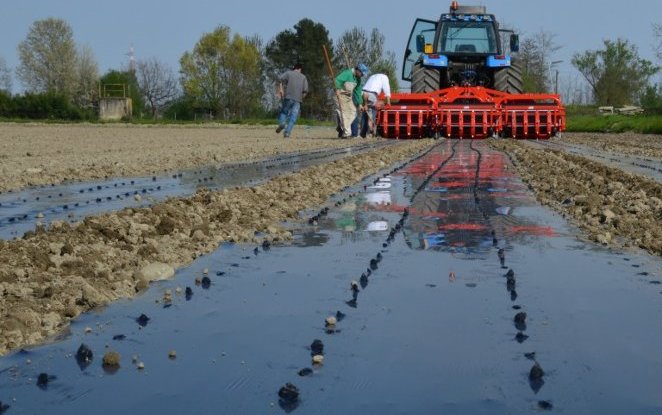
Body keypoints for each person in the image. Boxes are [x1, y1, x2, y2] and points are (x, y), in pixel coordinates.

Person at [334, 63, 368, 138]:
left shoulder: (358, 79)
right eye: (362, 73)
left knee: (353, 111)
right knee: (344, 113)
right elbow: (337, 80)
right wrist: (337, 88)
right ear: (358, 70)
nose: (362, 75)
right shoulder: (347, 73)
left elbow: (358, 92)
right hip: (340, 95)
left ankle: (341, 127)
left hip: (348, 97)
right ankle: (346, 133)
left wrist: (360, 104)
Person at [276, 63, 308, 138]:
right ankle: (287, 132)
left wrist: (281, 89)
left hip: (288, 97)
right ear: (300, 69)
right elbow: (305, 91)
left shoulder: (288, 73)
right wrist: (301, 98)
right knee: (293, 117)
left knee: (284, 112)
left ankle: (282, 123)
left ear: (294, 68)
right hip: (298, 100)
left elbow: (279, 79)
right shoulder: (303, 77)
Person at [360, 73, 391, 138]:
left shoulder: (372, 76)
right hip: (371, 95)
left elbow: (366, 90)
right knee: (372, 115)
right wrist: (388, 102)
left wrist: (365, 103)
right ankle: (369, 134)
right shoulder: (384, 76)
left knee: (365, 114)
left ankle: (362, 134)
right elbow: (386, 90)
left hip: (362, 93)